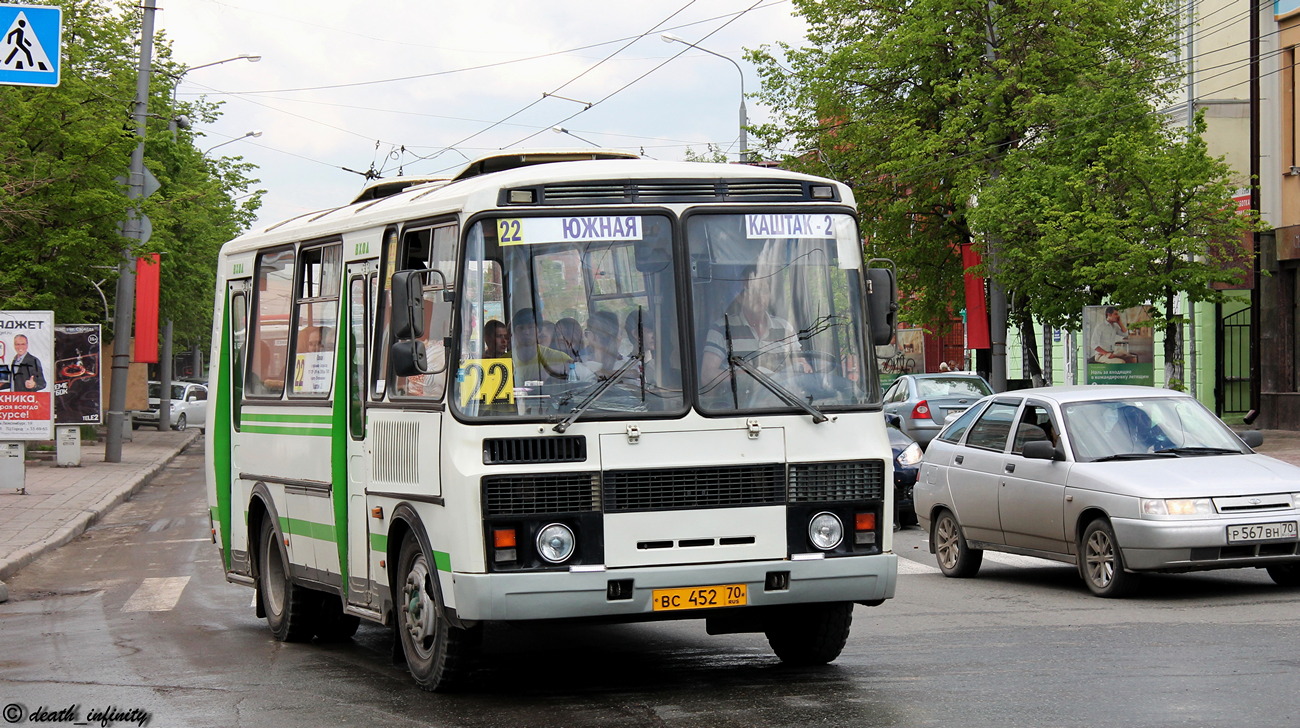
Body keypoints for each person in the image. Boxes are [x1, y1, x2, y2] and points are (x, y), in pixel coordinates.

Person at [699, 265, 801, 395]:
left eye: (763, 290)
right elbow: (707, 376)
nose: (758, 297)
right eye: (752, 291)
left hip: (784, 403)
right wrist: (749, 375)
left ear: (769, 295)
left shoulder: (785, 327)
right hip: (738, 408)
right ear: (740, 297)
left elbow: (800, 362)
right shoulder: (721, 329)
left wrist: (803, 366)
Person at [510, 308, 571, 384]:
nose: (526, 332)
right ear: (514, 332)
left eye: (531, 327)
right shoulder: (505, 360)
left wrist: (552, 371)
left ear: (539, 331)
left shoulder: (559, 358)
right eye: (521, 328)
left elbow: (576, 369)